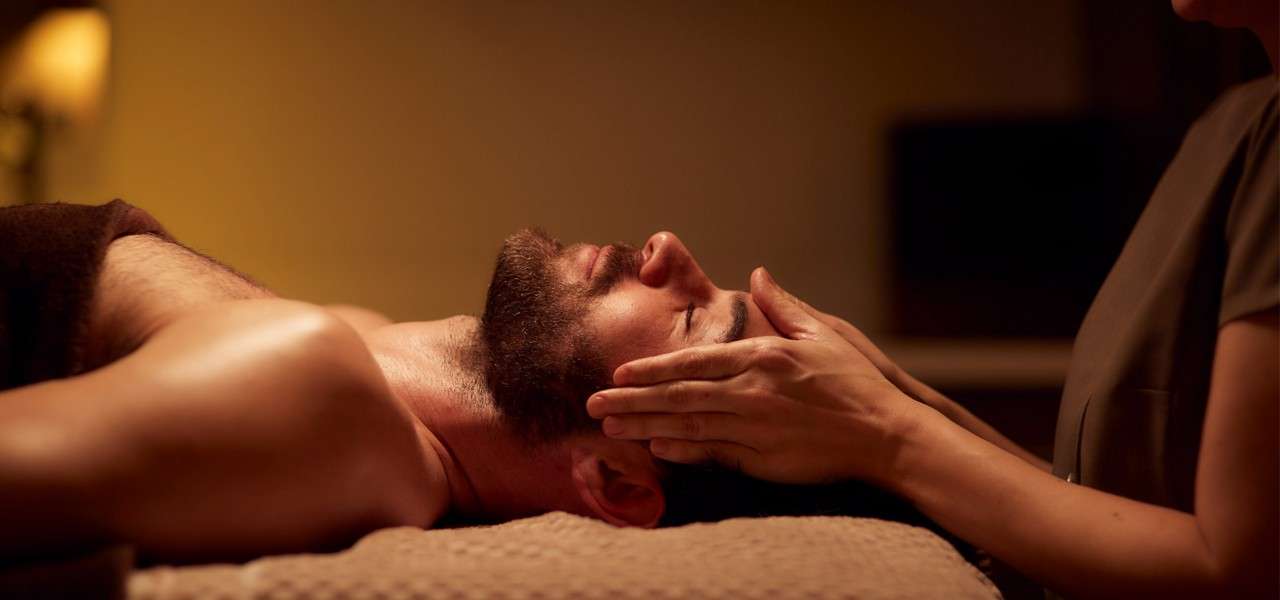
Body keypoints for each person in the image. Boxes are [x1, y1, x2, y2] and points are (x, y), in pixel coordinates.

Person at [586, 2, 1279, 597]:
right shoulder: (1231, 124)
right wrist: (899, 396)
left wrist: (888, 431)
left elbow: (1244, 573)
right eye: (693, 315)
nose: (665, 242)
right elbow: (1100, 504)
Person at [2, 205, 903, 565]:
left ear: (618, 480)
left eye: (694, 319)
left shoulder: (321, 407)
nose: (669, 248)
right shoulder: (357, 346)